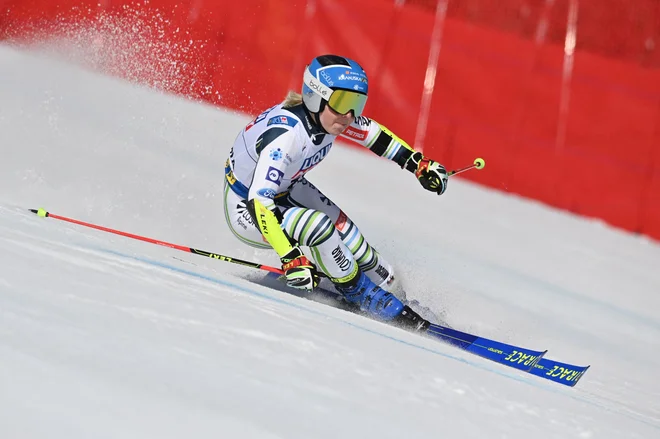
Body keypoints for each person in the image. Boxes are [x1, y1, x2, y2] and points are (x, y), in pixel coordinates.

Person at [223, 54, 448, 332]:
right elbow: (259, 202)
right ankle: (359, 292)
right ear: (315, 97)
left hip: (288, 189)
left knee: (364, 253)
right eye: (343, 103)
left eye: (356, 104)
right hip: (248, 208)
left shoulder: (329, 116)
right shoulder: (286, 136)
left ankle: (399, 300)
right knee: (320, 227)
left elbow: (374, 135)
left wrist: (416, 165)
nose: (349, 115)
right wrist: (290, 256)